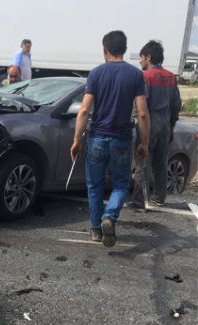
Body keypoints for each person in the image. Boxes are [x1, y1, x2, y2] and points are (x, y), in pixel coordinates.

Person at [70, 30, 150, 247]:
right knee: (121, 185)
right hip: (122, 140)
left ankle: (96, 229)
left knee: (94, 186)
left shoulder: (96, 74)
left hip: (96, 138)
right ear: (124, 48)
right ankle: (109, 216)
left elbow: (84, 109)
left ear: (105, 50)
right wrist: (144, 143)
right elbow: (142, 112)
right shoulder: (135, 75)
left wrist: (77, 139)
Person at [127, 41, 182, 210]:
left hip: (148, 124)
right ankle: (159, 197)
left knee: (142, 162)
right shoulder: (171, 77)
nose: (140, 61)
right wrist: (172, 125)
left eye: (142, 58)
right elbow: (176, 104)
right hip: (165, 124)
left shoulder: (145, 77)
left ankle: (138, 200)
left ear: (149, 57)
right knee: (160, 163)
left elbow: (141, 106)